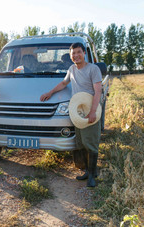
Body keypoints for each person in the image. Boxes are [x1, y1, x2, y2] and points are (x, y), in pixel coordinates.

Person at [40, 42, 102, 187]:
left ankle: (93, 176)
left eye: (78, 52)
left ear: (84, 53)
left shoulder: (93, 69)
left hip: (90, 108)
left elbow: (98, 91)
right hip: (77, 110)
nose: (76, 55)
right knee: (81, 143)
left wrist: (92, 111)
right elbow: (63, 83)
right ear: (70, 56)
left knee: (91, 144)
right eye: (73, 53)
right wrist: (50, 92)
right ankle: (87, 171)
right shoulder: (71, 69)